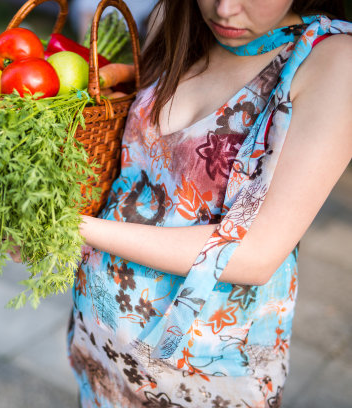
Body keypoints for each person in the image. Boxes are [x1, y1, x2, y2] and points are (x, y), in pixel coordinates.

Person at [67, 0, 352, 407]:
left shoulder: (331, 60)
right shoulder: (177, 18)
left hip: (201, 370)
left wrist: (72, 227)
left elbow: (255, 253)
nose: (225, 9)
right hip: (100, 337)